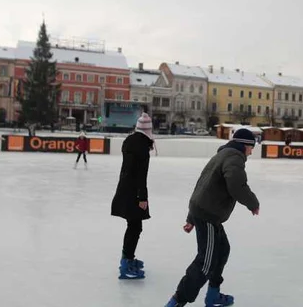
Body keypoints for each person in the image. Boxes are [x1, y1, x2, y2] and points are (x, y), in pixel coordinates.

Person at [164, 128, 260, 307]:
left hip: (206, 213)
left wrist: (191, 218)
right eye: (251, 147)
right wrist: (252, 203)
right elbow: (236, 184)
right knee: (206, 262)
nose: (252, 151)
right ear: (244, 145)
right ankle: (177, 301)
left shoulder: (222, 155)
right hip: (208, 214)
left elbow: (202, 185)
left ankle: (213, 295)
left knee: (223, 249)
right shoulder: (234, 158)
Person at [111, 113, 155, 280]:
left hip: (124, 189)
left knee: (133, 226)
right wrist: (142, 197)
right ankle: (126, 263)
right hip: (134, 192)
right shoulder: (143, 147)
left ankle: (127, 258)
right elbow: (141, 175)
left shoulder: (129, 141)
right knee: (135, 227)